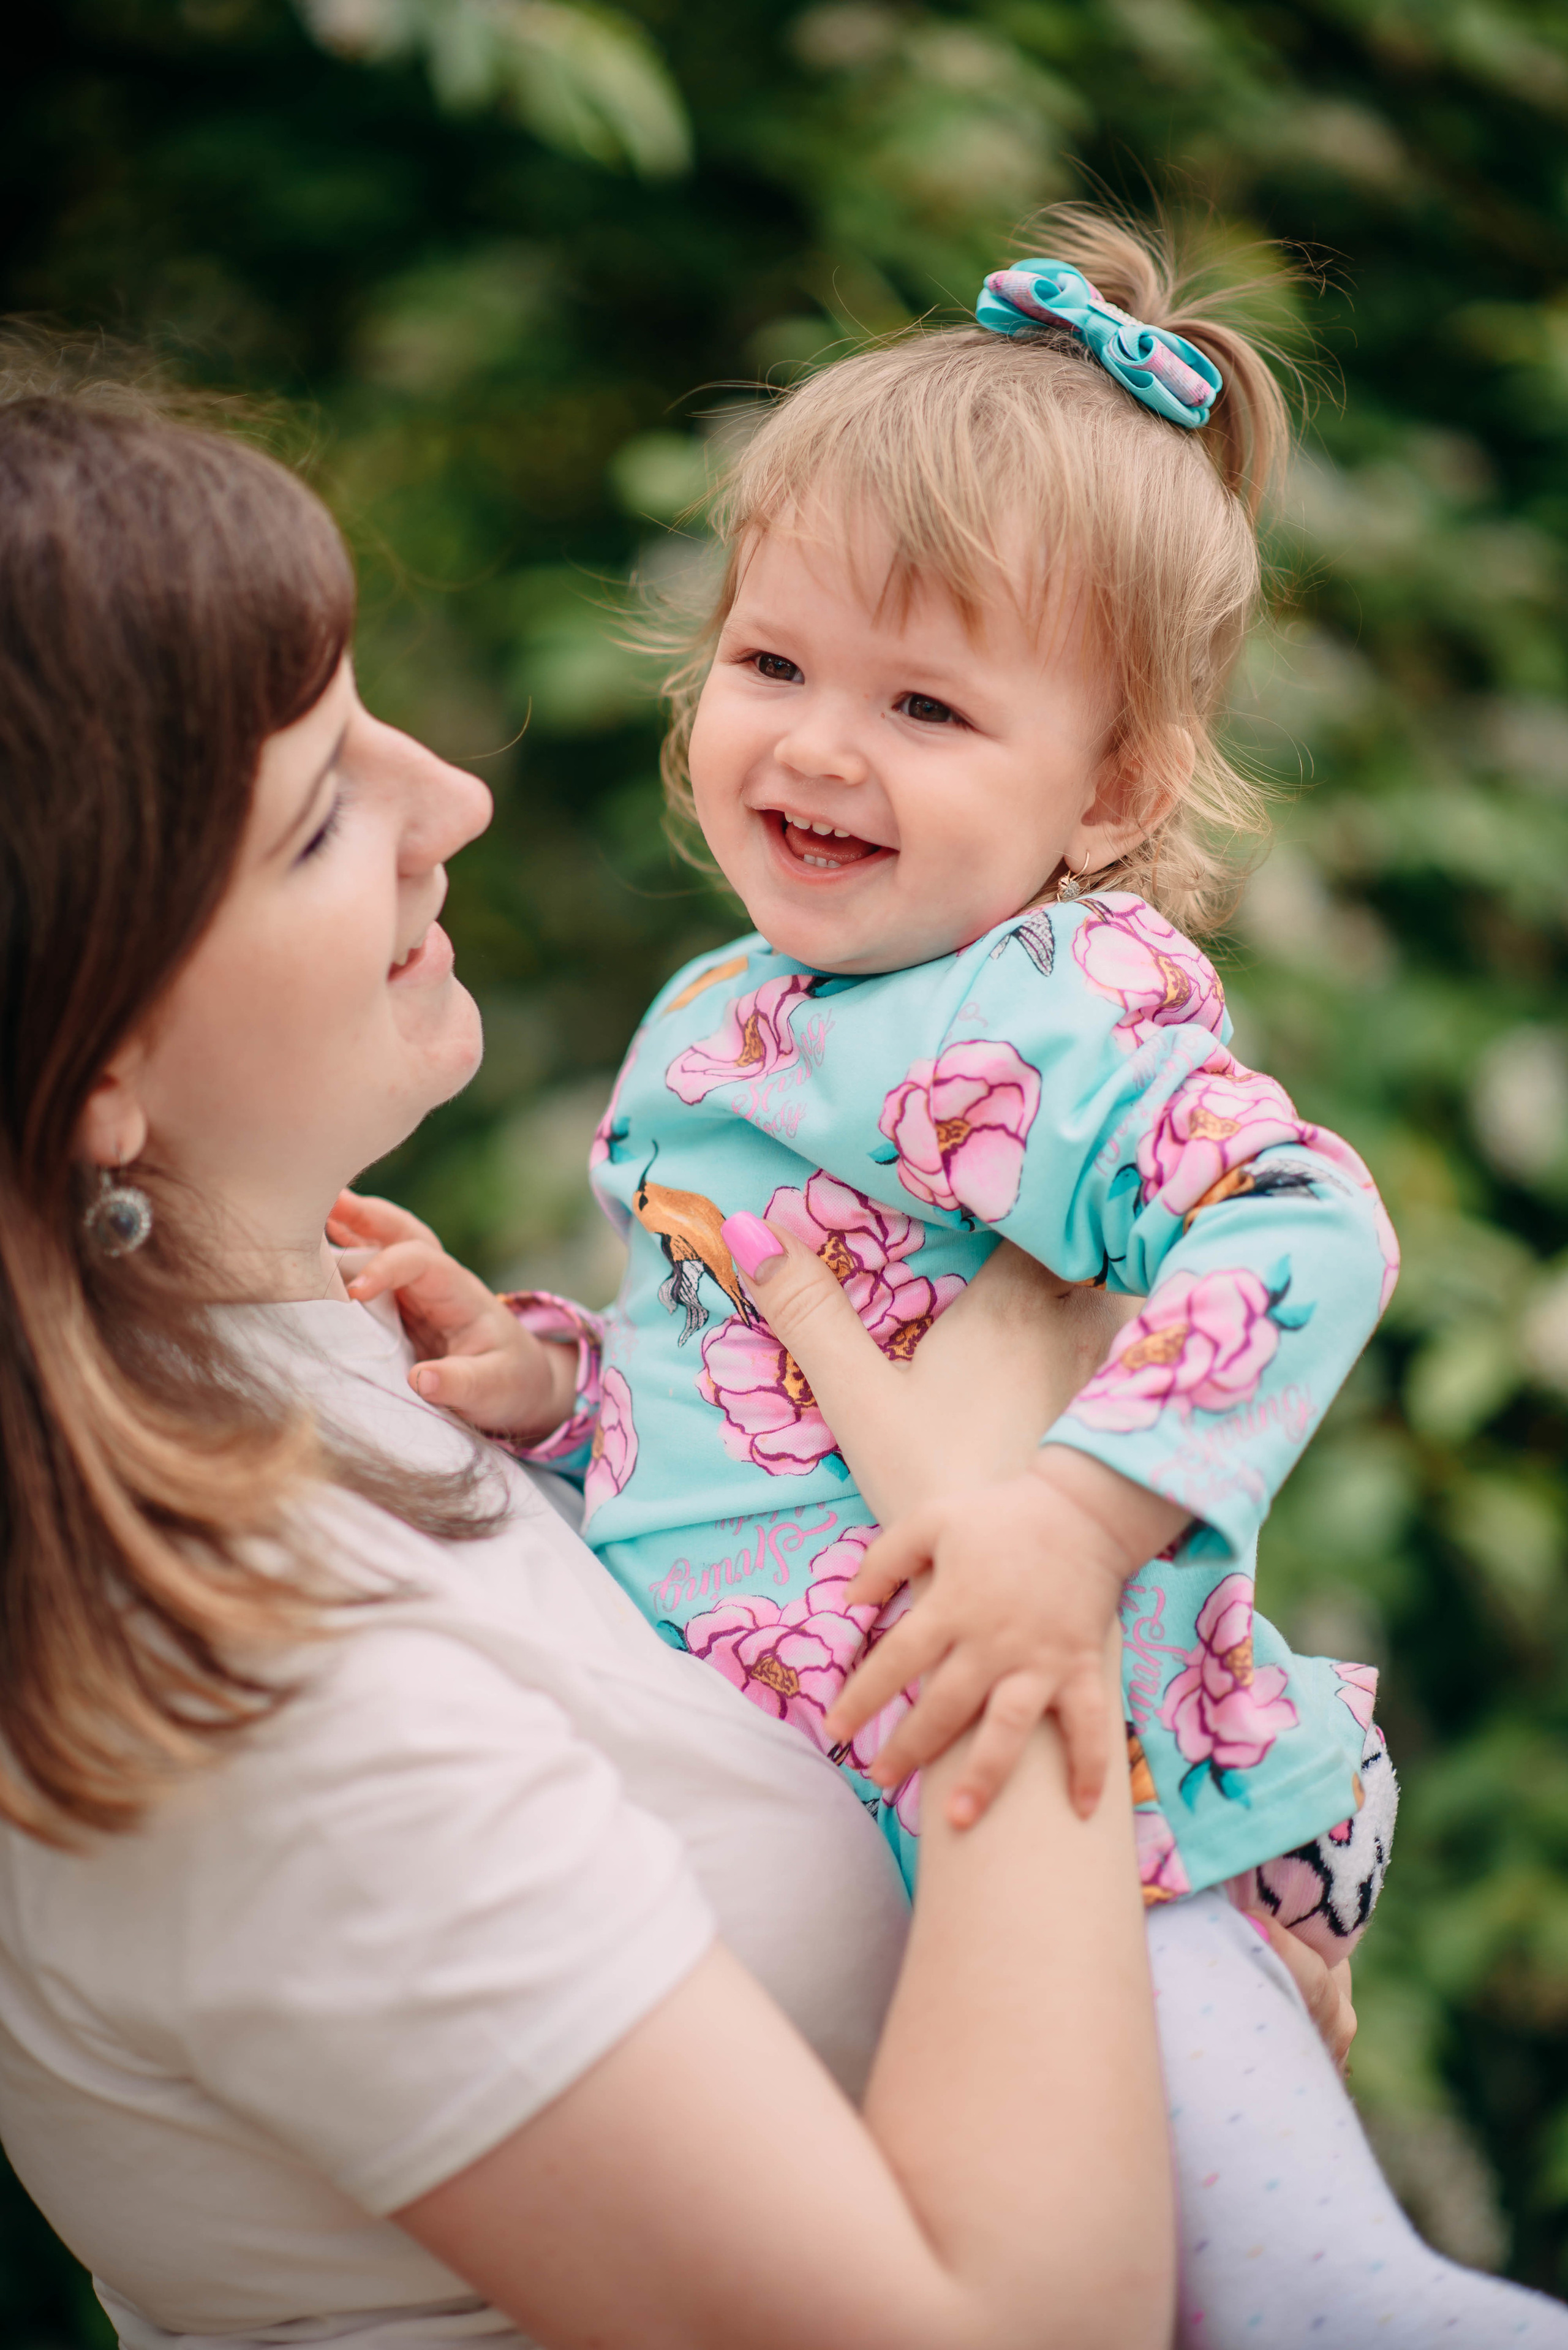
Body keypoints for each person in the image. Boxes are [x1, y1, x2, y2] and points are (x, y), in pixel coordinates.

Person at [334, 210, 1568, 2345]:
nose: (818, 746)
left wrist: (1072, 1522)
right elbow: (753, 1370)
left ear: (1111, 788)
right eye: (774, 664)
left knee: (1318, 2303)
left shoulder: (1053, 1007)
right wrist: (553, 1375)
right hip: (890, 1851)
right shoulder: (738, 1004)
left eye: (925, 703)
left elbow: (1306, 1222)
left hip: (1116, 1842)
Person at [0, 351, 1188, 2350]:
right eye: (314, 821)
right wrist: (1009, 1584)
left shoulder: (321, 1351)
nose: (449, 796)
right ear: (96, 1050)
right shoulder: (241, 1695)